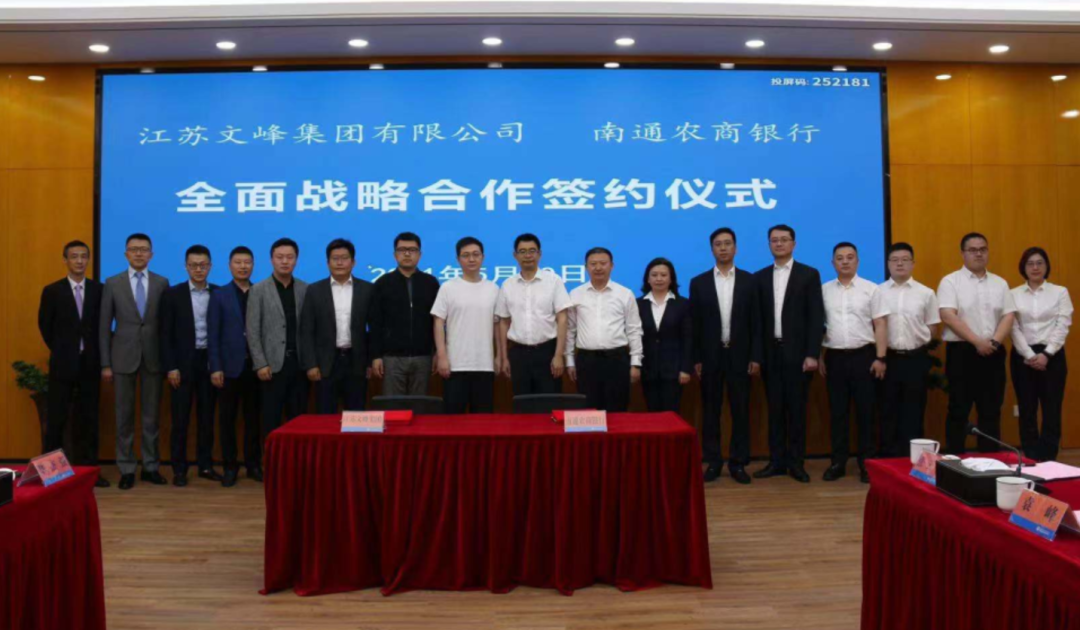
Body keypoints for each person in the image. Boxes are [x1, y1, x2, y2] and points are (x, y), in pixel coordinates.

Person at [689, 228, 762, 485]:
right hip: (710, 357)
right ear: (712, 249)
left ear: (736, 248)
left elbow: (757, 323)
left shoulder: (750, 281)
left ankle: (738, 463)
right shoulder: (698, 282)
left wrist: (755, 356)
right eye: (718, 244)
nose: (723, 248)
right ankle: (713, 462)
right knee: (711, 411)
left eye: (727, 243)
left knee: (740, 410)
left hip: (741, 356)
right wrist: (696, 358)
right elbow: (695, 325)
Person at [753, 225, 824, 483]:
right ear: (769, 245)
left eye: (784, 240)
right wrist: (757, 356)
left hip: (799, 354)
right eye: (774, 240)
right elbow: (757, 322)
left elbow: (816, 317)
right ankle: (776, 462)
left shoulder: (809, 274)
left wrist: (812, 353)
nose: (779, 244)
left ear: (794, 244)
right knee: (774, 410)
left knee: (796, 410)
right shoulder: (760, 277)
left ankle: (796, 463)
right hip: (770, 353)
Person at [100, 233, 170, 490]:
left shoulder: (162, 282)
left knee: (151, 417)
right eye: (134, 249)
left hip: (153, 357)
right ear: (126, 253)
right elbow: (104, 326)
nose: (139, 253)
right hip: (122, 357)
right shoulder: (112, 283)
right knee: (124, 416)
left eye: (144, 249)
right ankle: (127, 468)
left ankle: (150, 466)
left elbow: (166, 325)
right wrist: (105, 363)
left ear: (151, 254)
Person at [37, 240, 108, 487]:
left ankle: (88, 472)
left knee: (89, 419)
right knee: (56, 418)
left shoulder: (99, 290)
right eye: (74, 256)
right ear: (65, 260)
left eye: (83, 256)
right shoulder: (52, 291)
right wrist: (63, 350)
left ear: (88, 260)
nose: (79, 261)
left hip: (90, 363)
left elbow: (103, 326)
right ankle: (52, 474)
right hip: (62, 364)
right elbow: (45, 327)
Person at [938, 232, 1016, 454]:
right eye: (972, 250)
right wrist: (977, 342)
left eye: (982, 249)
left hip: (993, 350)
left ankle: (989, 459)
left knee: (991, 409)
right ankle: (954, 460)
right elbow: (947, 315)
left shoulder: (1000, 283)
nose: (978, 254)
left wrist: (994, 342)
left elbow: (1008, 315)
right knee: (958, 408)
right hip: (962, 352)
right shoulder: (950, 281)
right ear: (963, 253)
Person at [820, 242, 889, 484]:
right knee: (838, 413)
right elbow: (819, 326)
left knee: (866, 413)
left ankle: (866, 464)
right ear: (833, 263)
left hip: (864, 357)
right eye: (840, 258)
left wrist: (881, 357)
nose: (845, 261)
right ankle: (838, 462)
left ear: (858, 261)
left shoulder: (872, 289)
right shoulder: (824, 290)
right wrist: (819, 356)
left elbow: (881, 324)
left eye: (850, 257)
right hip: (835, 357)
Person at [160, 245, 220, 486]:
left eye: (203, 265)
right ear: (185, 267)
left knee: (207, 418)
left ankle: (205, 465)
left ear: (210, 266)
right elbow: (165, 334)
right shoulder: (172, 294)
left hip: (209, 362)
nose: (198, 269)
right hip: (182, 364)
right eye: (193, 265)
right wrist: (171, 367)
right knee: (180, 419)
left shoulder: (219, 293)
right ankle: (179, 469)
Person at [878, 243, 940, 458]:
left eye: (905, 259)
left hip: (916, 358)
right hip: (888, 358)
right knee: (887, 409)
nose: (900, 264)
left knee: (914, 410)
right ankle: (888, 457)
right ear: (888, 264)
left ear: (913, 263)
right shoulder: (877, 292)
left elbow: (933, 326)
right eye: (895, 260)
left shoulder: (926, 293)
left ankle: (912, 458)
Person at [1010, 247, 1072, 461]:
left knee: (1052, 408)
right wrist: (1029, 355)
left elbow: (1063, 324)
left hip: (1052, 356)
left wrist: (1047, 354)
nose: (1035, 267)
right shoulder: (1013, 294)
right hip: (1023, 356)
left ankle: (1049, 457)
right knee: (1026, 407)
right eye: (1030, 263)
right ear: (1023, 267)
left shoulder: (1060, 292)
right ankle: (1030, 456)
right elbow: (1012, 327)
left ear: (1046, 266)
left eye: (1039, 263)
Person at [300, 239, 375, 413]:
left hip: (356, 362)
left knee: (356, 415)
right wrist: (311, 364)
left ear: (353, 262)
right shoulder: (314, 290)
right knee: (325, 415)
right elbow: (306, 330)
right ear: (328, 263)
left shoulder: (367, 289)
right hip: (326, 364)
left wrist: (370, 361)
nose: (340, 263)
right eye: (335, 258)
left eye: (344, 258)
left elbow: (374, 328)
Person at [208, 246, 261, 487]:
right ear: (230, 266)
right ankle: (230, 466)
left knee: (254, 420)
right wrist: (215, 367)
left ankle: (253, 464)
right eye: (238, 262)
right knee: (227, 420)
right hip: (228, 368)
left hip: (256, 367)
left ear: (253, 265)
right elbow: (213, 334)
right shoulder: (219, 295)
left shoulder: (261, 291)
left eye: (247, 262)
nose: (243, 266)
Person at [566, 247, 644, 412]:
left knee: (617, 409)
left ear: (612, 266)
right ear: (586, 267)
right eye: (593, 264)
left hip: (617, 360)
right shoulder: (575, 294)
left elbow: (634, 330)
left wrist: (636, 363)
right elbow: (570, 330)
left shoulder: (625, 294)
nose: (598, 268)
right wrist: (570, 361)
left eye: (603, 263)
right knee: (589, 411)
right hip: (586, 361)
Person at [495, 233, 572, 396]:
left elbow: (563, 318)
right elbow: (504, 322)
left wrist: (558, 355)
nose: (527, 255)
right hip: (518, 354)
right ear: (515, 255)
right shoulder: (507, 285)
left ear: (539, 254)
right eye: (522, 251)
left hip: (547, 352)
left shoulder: (553, 281)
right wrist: (504, 357)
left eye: (532, 251)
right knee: (522, 402)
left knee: (549, 401)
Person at [248, 238, 309, 440]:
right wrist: (260, 363)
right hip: (271, 367)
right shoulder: (258, 290)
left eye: (290, 257)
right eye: (280, 257)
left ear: (296, 260)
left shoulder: (305, 289)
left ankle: (297, 459)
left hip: (299, 365)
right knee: (270, 419)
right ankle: (272, 459)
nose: (285, 261)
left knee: (299, 419)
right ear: (271, 260)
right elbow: (252, 330)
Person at [432, 237, 501, 413]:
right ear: (458, 259)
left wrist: (499, 355)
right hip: (455, 365)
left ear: (483, 257)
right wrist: (442, 356)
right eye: (466, 255)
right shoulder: (448, 287)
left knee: (483, 420)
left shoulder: (493, 289)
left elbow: (497, 326)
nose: (471, 259)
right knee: (453, 421)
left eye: (476, 254)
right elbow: (438, 322)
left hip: (484, 365)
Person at [369, 232, 441, 396]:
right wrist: (376, 356)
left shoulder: (431, 283)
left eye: (412, 250)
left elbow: (438, 322)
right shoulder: (382, 283)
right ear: (395, 254)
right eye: (402, 250)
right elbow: (375, 323)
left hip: (424, 357)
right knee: (394, 406)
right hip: (391, 358)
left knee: (420, 405)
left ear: (420, 254)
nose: (407, 254)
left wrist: (438, 352)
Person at [636, 258, 692, 413]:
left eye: (663, 275)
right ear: (647, 279)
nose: (659, 279)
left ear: (671, 278)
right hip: (647, 370)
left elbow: (688, 339)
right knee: (652, 413)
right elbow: (635, 337)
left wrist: (685, 369)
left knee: (671, 414)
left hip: (674, 371)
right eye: (654, 275)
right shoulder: (637, 304)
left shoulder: (683, 304)